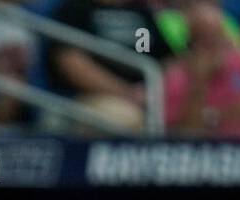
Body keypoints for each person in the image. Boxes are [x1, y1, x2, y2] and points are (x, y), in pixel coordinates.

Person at [164, 1, 240, 138]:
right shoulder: (177, 74)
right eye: (203, 39)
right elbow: (186, 133)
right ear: (191, 41)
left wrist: (214, 115)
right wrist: (199, 83)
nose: (213, 46)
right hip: (206, 153)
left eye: (216, 37)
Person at [46, 0, 168, 130]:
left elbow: (169, 61)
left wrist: (156, 93)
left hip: (145, 96)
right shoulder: (76, 9)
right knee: (124, 117)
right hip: (88, 97)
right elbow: (71, 62)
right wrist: (127, 93)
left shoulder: (143, 11)